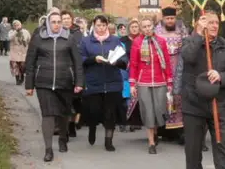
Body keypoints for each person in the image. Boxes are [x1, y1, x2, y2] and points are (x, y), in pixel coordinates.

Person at [181, 11, 225, 169]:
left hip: (218, 103)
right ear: (201, 23)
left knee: (223, 148)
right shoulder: (189, 41)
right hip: (193, 104)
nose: (214, 26)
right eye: (210, 22)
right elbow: (188, 57)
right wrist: (198, 35)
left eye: (216, 23)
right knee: (193, 152)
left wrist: (221, 76)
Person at [24, 13, 84, 162]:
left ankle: (63, 138)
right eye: (53, 22)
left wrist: (79, 82)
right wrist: (29, 85)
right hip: (43, 82)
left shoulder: (69, 39)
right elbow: (30, 63)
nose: (56, 24)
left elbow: (77, 63)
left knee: (64, 113)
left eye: (59, 22)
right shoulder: (38, 39)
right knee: (48, 114)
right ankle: (48, 149)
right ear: (48, 24)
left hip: (65, 82)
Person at [80, 15, 127, 152]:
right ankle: (92, 127)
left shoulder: (115, 40)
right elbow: (81, 59)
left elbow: (124, 60)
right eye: (98, 25)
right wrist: (94, 59)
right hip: (94, 82)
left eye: (103, 25)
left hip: (112, 82)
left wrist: (116, 62)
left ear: (107, 26)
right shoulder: (86, 41)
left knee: (110, 113)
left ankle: (108, 141)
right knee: (94, 110)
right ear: (94, 26)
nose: (101, 28)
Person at [128, 16, 172, 154]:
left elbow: (167, 62)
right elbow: (133, 64)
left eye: (149, 26)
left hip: (160, 81)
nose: (147, 29)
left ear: (153, 26)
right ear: (141, 28)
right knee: (148, 111)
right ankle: (151, 143)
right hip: (143, 82)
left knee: (160, 110)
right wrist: (132, 84)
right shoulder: (137, 42)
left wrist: (169, 80)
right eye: (144, 26)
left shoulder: (161, 41)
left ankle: (156, 131)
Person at [154, 7, 189, 144]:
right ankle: (163, 130)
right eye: (167, 18)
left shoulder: (182, 30)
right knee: (164, 99)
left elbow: (187, 47)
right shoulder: (157, 31)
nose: (170, 21)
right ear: (163, 18)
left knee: (178, 99)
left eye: (172, 18)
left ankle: (180, 132)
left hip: (179, 69)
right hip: (163, 70)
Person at [61, 10, 83, 138]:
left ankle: (74, 123)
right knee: (65, 100)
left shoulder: (77, 33)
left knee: (76, 100)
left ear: (72, 19)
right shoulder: (58, 34)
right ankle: (67, 127)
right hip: (63, 70)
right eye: (63, 18)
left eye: (68, 18)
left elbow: (80, 50)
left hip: (75, 69)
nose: (66, 20)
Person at [8, 20, 31, 85]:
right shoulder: (11, 32)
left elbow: (29, 40)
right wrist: (16, 31)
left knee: (22, 66)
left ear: (20, 25)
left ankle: (22, 75)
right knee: (15, 66)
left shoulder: (25, 31)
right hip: (14, 51)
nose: (16, 26)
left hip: (23, 51)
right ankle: (17, 79)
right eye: (15, 25)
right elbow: (10, 38)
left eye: (18, 25)